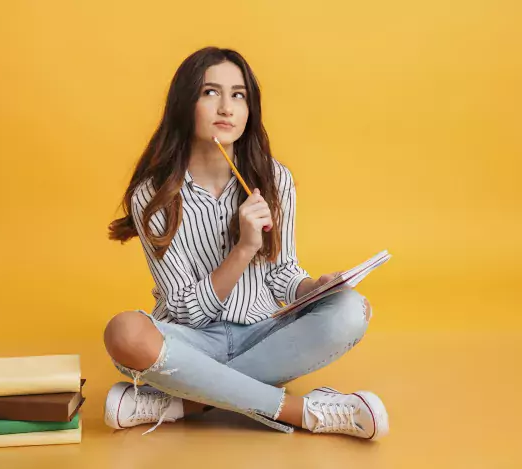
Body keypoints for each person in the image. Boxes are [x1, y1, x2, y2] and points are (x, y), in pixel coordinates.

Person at [104, 47, 389, 439]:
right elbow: (187, 312)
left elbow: (283, 275)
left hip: (263, 334)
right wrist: (242, 250)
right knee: (124, 333)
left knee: (352, 310)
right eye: (210, 93)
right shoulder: (152, 195)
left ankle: (184, 401)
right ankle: (302, 412)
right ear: (185, 104)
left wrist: (314, 289)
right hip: (191, 342)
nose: (226, 107)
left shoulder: (275, 180)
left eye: (238, 95)